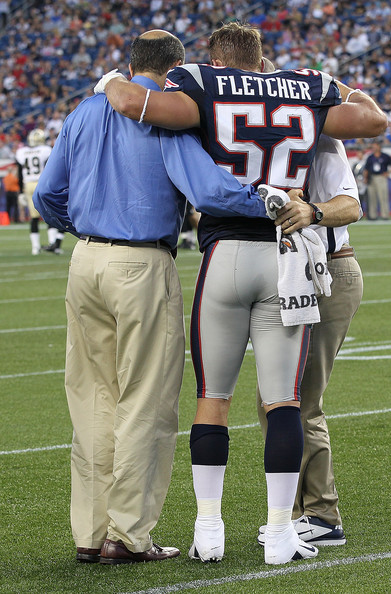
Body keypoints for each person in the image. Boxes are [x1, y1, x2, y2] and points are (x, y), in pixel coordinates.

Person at [97, 22, 386, 565]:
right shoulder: (305, 88)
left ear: (216, 58)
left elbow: (137, 103)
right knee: (285, 402)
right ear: (262, 59)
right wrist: (334, 85)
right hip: (287, 256)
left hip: (227, 251)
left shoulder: (204, 82)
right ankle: (280, 533)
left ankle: (210, 529)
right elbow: (373, 118)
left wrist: (110, 79)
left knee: (214, 397)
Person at [33, 30, 269, 566]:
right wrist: (268, 201)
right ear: (175, 71)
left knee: (92, 399)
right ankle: (129, 536)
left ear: (132, 63)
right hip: (141, 263)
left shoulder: (84, 112)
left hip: (85, 260)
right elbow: (209, 192)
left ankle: (90, 535)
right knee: (147, 402)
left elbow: (46, 193)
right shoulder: (161, 116)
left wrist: (88, 230)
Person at [256, 134, 363, 549]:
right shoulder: (268, 140)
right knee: (277, 399)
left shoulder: (319, 142)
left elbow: (351, 204)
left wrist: (313, 210)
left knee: (298, 397)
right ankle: (300, 512)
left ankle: (321, 513)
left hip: (328, 273)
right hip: (293, 274)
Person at [15, 129, 53, 254]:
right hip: (41, 183)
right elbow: (50, 169)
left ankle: (35, 248)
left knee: (34, 217)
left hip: (28, 185)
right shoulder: (45, 150)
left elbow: (20, 173)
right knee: (50, 214)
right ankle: (53, 244)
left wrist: (21, 191)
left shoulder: (22, 152)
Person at [363, 140, 391, 220]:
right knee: (372, 197)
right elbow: (366, 169)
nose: (374, 148)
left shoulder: (385, 156)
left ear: (379, 147)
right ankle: (373, 215)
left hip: (381, 177)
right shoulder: (370, 157)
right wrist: (365, 178)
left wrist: (388, 173)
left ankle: (385, 215)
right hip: (372, 177)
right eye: (373, 146)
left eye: (375, 146)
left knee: (383, 197)